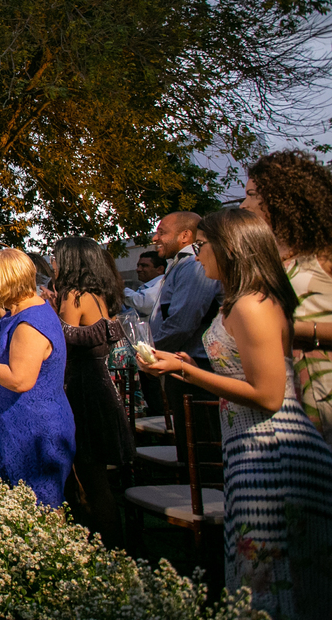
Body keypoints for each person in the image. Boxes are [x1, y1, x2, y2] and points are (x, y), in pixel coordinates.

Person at [141, 209, 332, 620]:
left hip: (273, 449)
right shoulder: (237, 301)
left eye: (203, 245)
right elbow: (239, 371)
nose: (198, 253)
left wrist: (186, 370)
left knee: (270, 577)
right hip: (246, 444)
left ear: (229, 249)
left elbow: (268, 395)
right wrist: (183, 365)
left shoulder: (252, 305)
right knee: (254, 571)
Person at [0, 248, 75, 508]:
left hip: (34, 432)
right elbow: (14, 358)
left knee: (39, 509)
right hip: (12, 426)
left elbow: (20, 379)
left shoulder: (30, 322)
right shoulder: (16, 313)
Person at [243, 149, 332, 447]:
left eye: (252, 194)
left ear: (282, 199)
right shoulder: (269, 261)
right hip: (286, 402)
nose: (245, 204)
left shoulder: (324, 255)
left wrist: (300, 331)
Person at [52, 237, 136, 547]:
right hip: (100, 387)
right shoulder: (100, 294)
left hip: (82, 391)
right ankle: (110, 546)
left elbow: (59, 341)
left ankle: (107, 549)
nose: (54, 265)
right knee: (96, 478)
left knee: (89, 479)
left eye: (58, 259)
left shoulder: (74, 296)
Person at [149, 211, 223, 418]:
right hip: (182, 364)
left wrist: (151, 352)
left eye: (162, 232)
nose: (155, 239)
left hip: (196, 366)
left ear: (185, 236)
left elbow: (182, 323)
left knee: (199, 441)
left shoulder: (193, 265)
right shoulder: (180, 264)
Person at [124, 251, 166, 318]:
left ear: (159, 269)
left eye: (144, 266)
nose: (138, 269)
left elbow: (143, 304)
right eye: (138, 266)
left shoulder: (162, 283)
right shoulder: (146, 287)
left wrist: (120, 289)